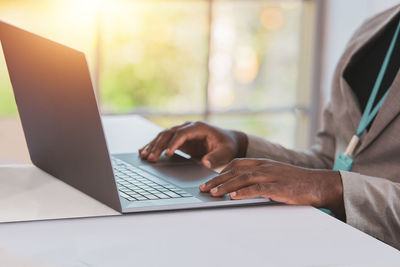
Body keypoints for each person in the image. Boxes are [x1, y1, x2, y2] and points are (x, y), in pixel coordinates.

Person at [139, 5, 400, 249]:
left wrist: (329, 187)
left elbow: (329, 181)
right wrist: (240, 146)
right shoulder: (373, 30)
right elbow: (332, 163)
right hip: (325, 243)